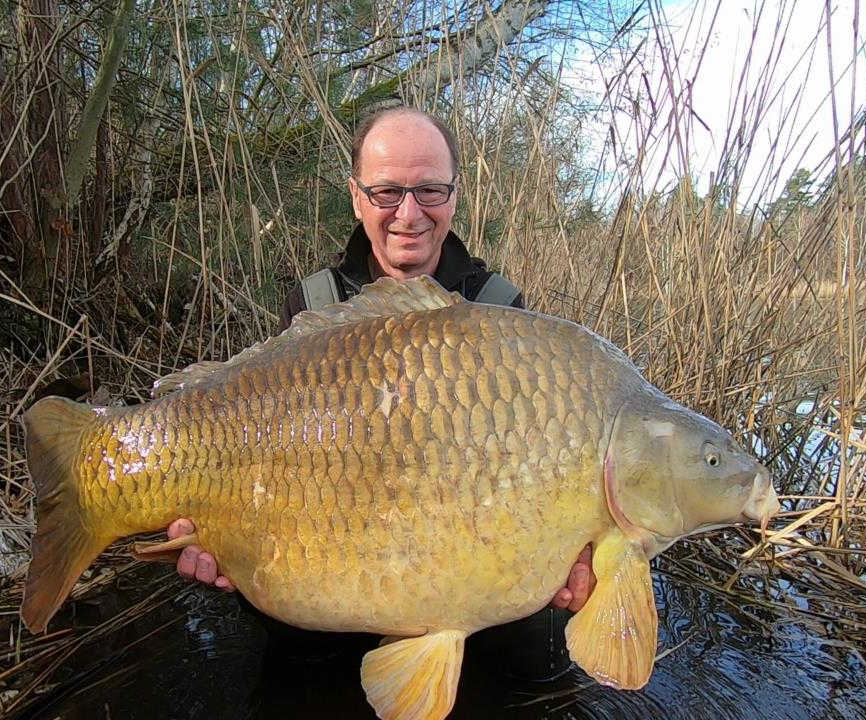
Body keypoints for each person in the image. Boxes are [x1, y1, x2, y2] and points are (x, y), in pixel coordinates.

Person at [163, 106, 597, 684]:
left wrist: (566, 549)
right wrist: (223, 530)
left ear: (454, 195)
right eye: (388, 191)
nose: (409, 213)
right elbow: (260, 446)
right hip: (332, 559)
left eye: (430, 190)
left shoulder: (499, 313)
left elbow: (536, 468)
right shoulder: (313, 304)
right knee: (289, 644)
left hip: (453, 563)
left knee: (536, 652)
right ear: (357, 196)